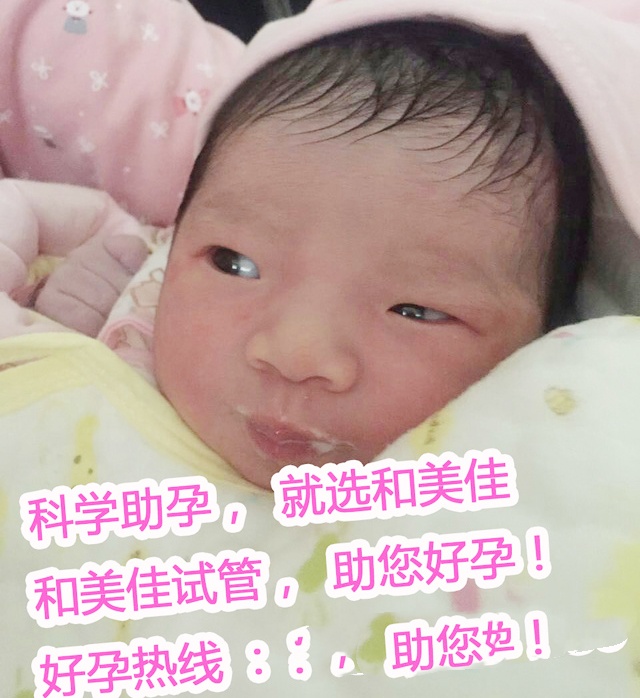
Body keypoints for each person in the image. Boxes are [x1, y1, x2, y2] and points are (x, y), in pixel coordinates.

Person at [0, 15, 592, 490]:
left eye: (416, 311)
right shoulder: (135, 304)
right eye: (235, 264)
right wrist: (66, 318)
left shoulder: (526, 502)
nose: (295, 354)